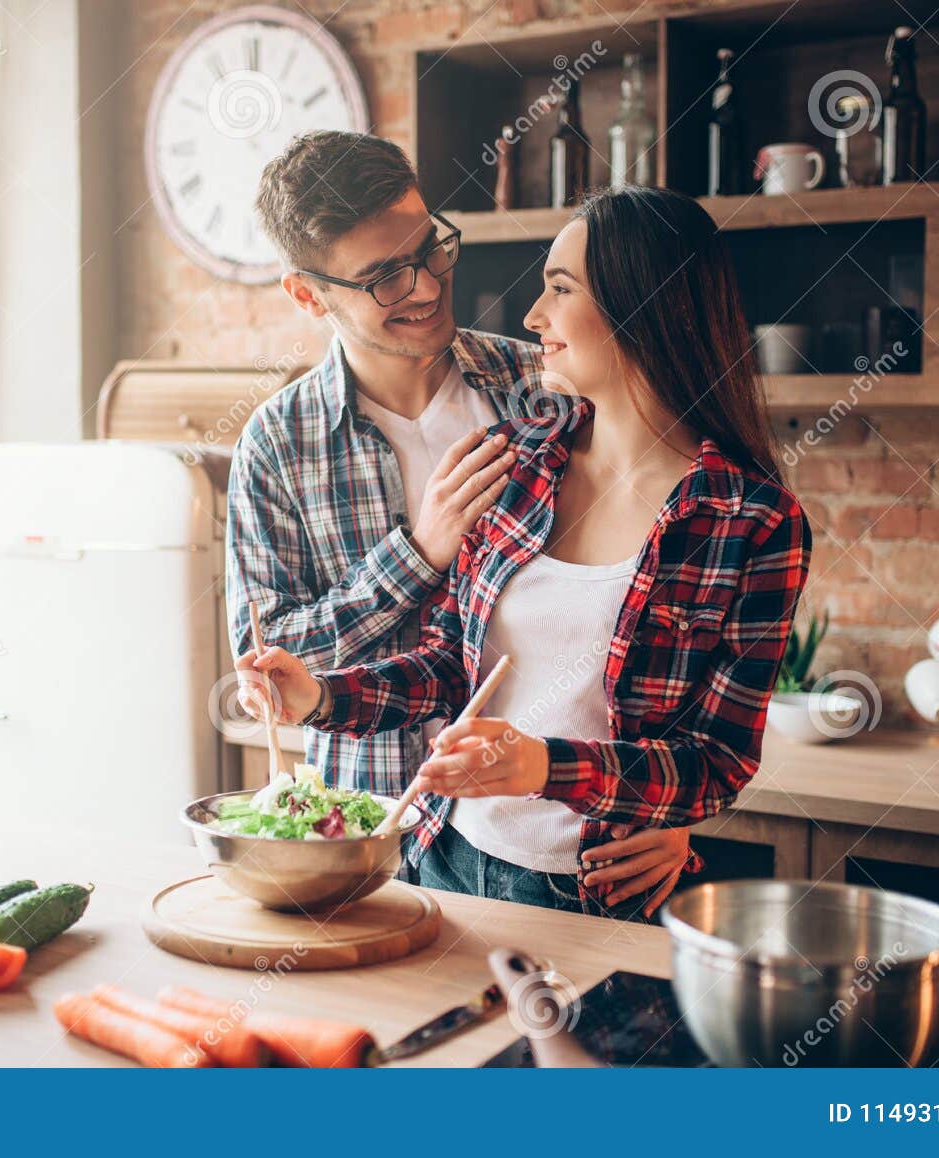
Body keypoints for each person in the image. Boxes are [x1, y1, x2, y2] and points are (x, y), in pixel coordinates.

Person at [239, 185, 813, 921]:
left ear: (645, 306)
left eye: (559, 289)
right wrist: (321, 697)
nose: (533, 316)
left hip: (597, 890)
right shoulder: (522, 462)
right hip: (443, 858)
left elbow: (719, 760)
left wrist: (543, 767)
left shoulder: (754, 523)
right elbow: (451, 665)